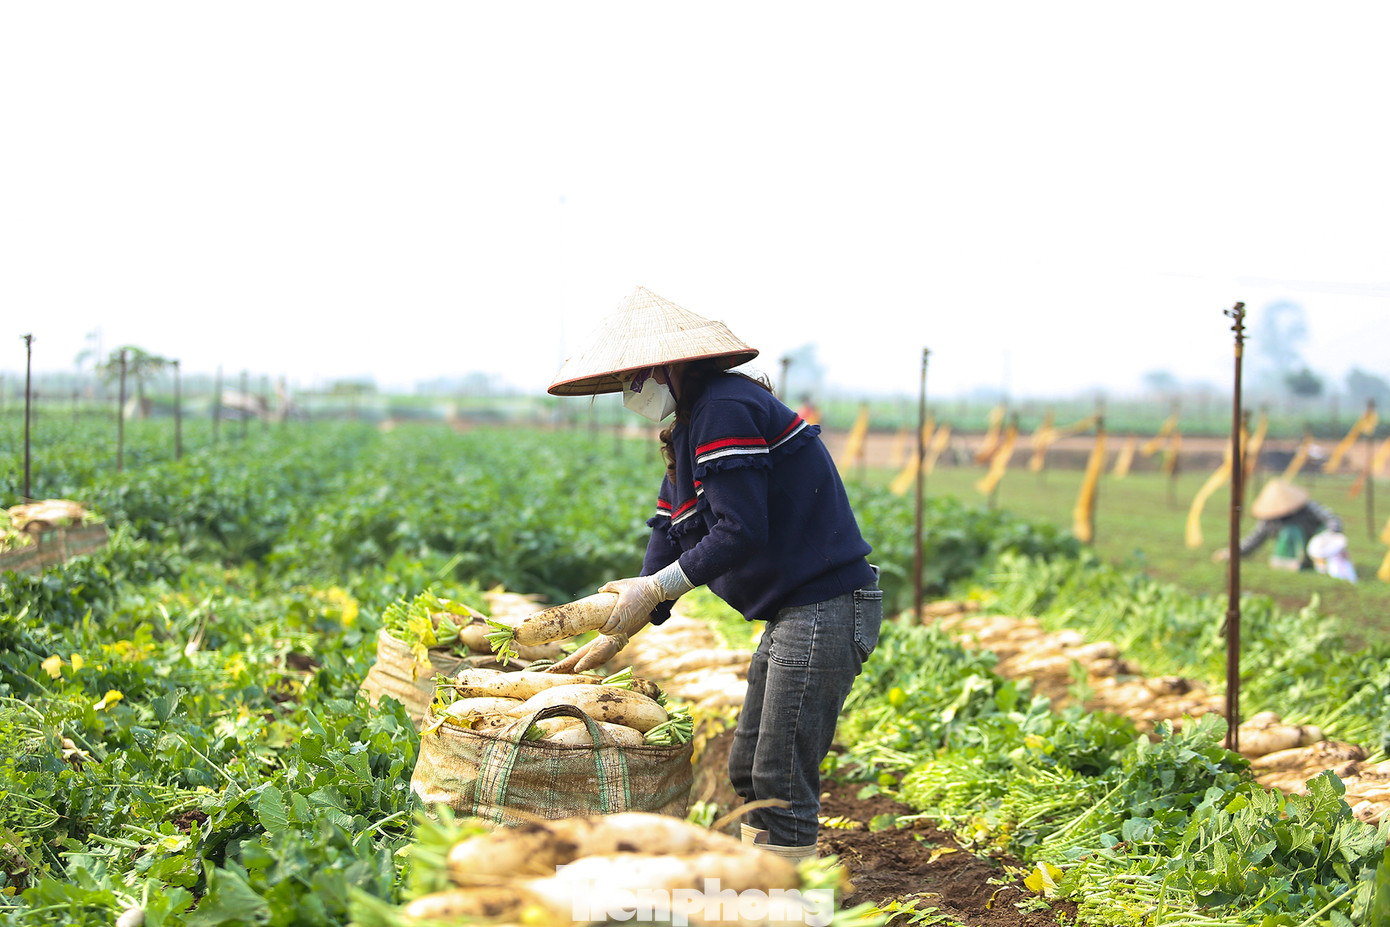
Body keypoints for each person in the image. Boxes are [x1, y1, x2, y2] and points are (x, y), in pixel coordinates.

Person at [547, 286, 882, 864]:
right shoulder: (689, 426)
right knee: (749, 768)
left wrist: (657, 589)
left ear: (667, 367)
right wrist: (623, 624)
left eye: (631, 378)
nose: (629, 392)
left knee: (779, 776)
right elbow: (668, 529)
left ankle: (789, 898)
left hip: (825, 607)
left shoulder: (724, 408)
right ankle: (766, 878)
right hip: (796, 613)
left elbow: (739, 531)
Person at [1212, 478, 1350, 576]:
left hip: (1316, 549)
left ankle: (1318, 563)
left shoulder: (1307, 508)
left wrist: (1328, 537)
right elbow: (1254, 539)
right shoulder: (1270, 520)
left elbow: (1333, 519)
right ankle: (1292, 564)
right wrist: (1231, 553)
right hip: (1290, 558)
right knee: (1289, 533)